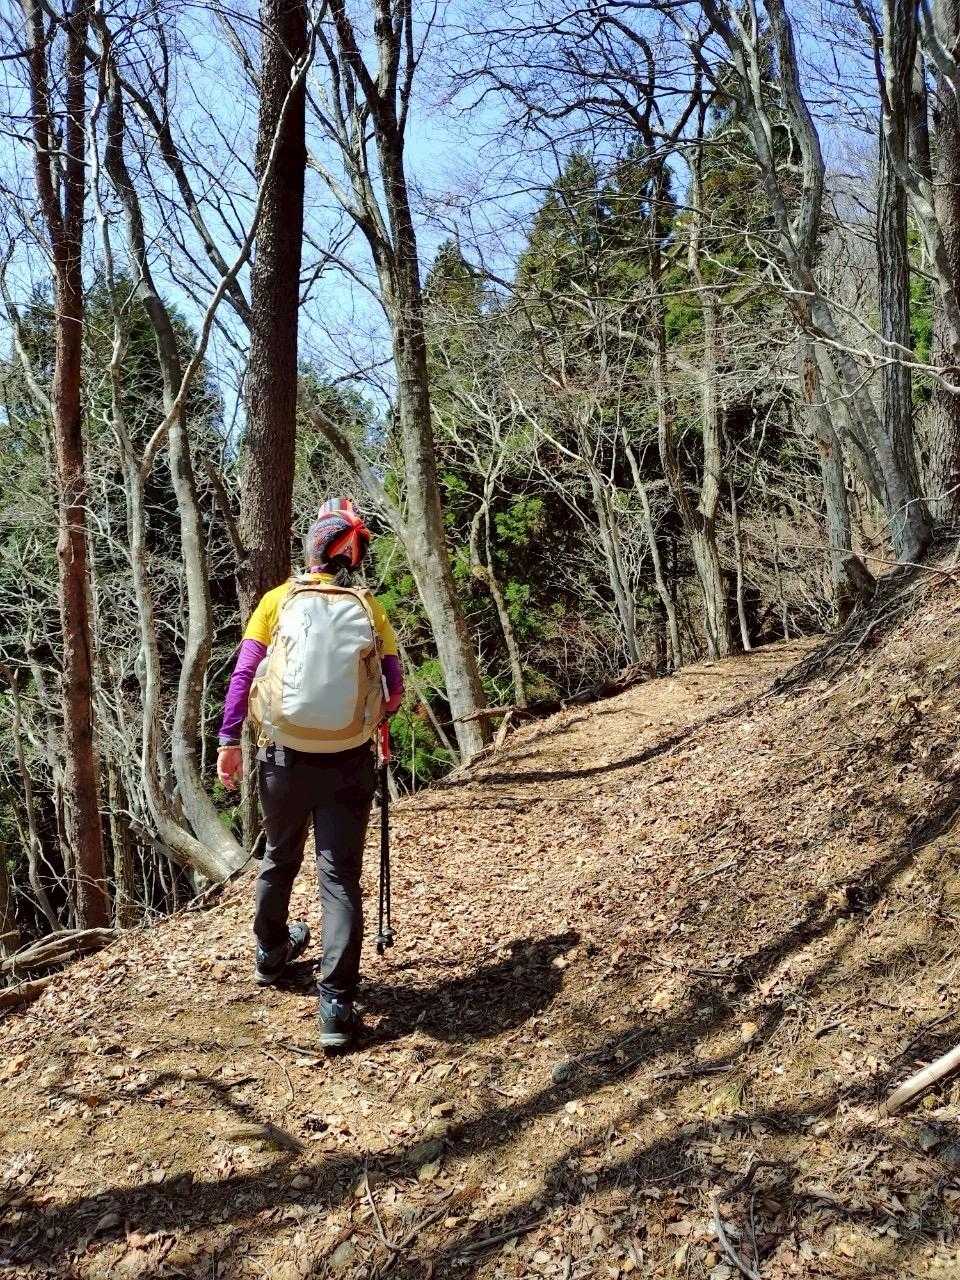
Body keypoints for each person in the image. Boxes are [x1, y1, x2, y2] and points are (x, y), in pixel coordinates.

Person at [217, 499, 404, 1048]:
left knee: (279, 856)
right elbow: (393, 689)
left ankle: (272, 951)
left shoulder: (277, 601)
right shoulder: (369, 608)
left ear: (313, 550)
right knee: (339, 876)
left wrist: (229, 740)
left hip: (284, 759)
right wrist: (371, 721)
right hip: (348, 761)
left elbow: (244, 673)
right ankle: (336, 1006)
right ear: (351, 558)